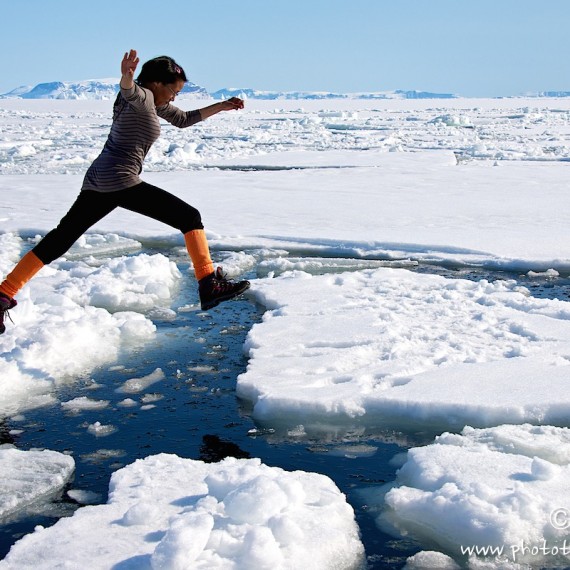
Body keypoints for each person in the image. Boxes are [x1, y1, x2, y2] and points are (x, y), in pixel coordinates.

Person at [0, 49, 251, 334]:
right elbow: (130, 91)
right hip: (120, 180)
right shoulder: (141, 96)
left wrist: (222, 106)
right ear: (156, 83)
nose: (174, 97)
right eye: (173, 90)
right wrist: (126, 78)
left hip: (98, 181)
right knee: (189, 217)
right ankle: (208, 283)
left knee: (60, 239)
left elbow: (183, 119)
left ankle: (4, 293)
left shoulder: (154, 103)